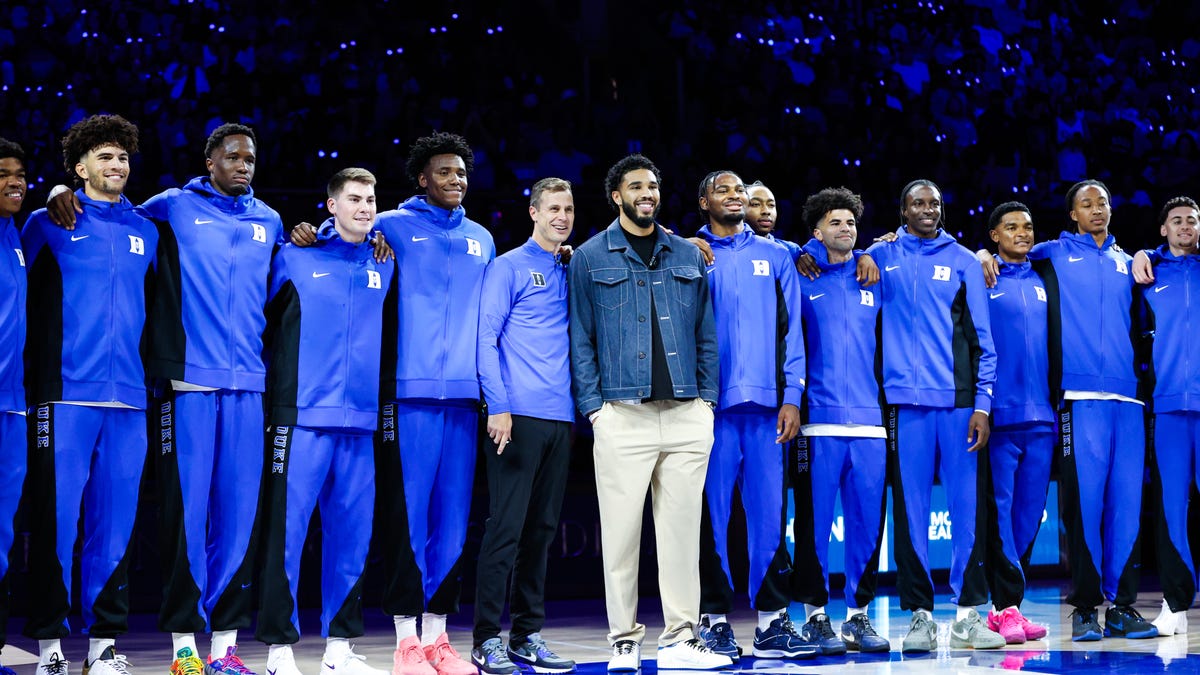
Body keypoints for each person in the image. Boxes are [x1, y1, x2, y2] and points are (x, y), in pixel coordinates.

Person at [44, 123, 291, 675]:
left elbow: (294, 276)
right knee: (185, 519)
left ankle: (224, 649)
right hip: (185, 388)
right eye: (232, 156)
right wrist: (55, 192)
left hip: (249, 387)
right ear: (210, 161)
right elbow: (103, 210)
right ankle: (185, 650)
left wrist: (329, 229)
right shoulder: (169, 209)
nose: (244, 165)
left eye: (251, 157)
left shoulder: (269, 221)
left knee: (238, 519)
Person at [569, 154, 728, 672]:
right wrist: (595, 411)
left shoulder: (686, 252)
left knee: (682, 535)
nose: (647, 193)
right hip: (622, 414)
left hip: (686, 414)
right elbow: (581, 339)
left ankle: (681, 637)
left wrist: (706, 402)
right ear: (616, 195)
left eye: (654, 186)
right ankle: (624, 639)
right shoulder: (590, 257)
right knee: (620, 536)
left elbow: (707, 334)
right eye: (636, 186)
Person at [978, 179, 1153, 641]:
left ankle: (1123, 606)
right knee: (1083, 509)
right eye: (1086, 203)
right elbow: (1000, 255)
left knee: (1127, 510)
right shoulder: (1051, 254)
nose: (1097, 209)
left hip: (1127, 399)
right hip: (1075, 400)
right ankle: (1085, 608)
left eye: (1104, 202)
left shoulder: (1128, 261)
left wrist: (1144, 255)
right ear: (1072, 214)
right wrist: (980, 254)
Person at [23, 114, 158, 675]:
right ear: (79, 168)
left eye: (123, 157)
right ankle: (50, 645)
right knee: (56, 524)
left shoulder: (148, 229)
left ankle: (103, 646)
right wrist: (52, 193)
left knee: (115, 527)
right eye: (104, 157)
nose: (117, 166)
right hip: (64, 396)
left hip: (129, 400)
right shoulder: (45, 222)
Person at [256, 168, 394, 675]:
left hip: (359, 424)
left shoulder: (385, 262)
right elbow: (260, 326)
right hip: (300, 421)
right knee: (285, 538)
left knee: (352, 539)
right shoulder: (294, 256)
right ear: (331, 206)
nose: (364, 207)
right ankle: (277, 651)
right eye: (354, 199)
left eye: (371, 200)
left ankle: (340, 650)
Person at [865, 179, 1002, 652]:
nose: (928, 210)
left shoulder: (966, 260)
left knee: (968, 514)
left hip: (961, 406)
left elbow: (985, 343)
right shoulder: (880, 257)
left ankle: (967, 615)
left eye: (935, 204)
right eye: (918, 203)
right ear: (903, 210)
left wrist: (982, 405)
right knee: (911, 513)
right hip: (906, 407)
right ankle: (920, 616)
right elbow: (837, 255)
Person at [373, 132, 491, 675]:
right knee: (407, 519)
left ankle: (440, 637)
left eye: (462, 172)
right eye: (444, 172)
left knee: (453, 520)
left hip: (465, 400)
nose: (456, 180)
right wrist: (317, 229)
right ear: (422, 178)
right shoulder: (392, 224)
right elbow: (341, 231)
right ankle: (405, 642)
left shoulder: (481, 239)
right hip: (409, 396)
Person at [691, 171, 810, 661]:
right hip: (710, 410)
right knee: (710, 521)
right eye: (724, 190)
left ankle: (771, 623)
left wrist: (793, 397)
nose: (736, 196)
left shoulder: (778, 255)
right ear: (704, 202)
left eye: (741, 191)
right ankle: (713, 621)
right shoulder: (689, 254)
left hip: (767, 412)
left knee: (768, 519)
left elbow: (792, 330)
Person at [470, 178, 577, 675]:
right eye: (553, 208)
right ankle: (485, 639)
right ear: (533, 212)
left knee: (541, 533)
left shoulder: (569, 267)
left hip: (561, 418)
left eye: (569, 208)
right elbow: (485, 339)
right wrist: (498, 405)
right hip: (515, 419)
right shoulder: (507, 266)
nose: (562, 216)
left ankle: (526, 635)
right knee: (505, 530)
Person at [788, 187, 890, 654]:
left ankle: (859, 616)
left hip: (870, 424)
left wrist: (869, 251)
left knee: (869, 526)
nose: (845, 229)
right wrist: (805, 252)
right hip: (818, 425)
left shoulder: (875, 275)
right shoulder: (799, 271)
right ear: (816, 230)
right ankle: (814, 616)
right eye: (835, 222)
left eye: (851, 223)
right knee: (813, 526)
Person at [979, 202, 1053, 644]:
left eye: (1027, 227)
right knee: (1001, 517)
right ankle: (1005, 607)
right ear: (994, 236)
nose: (1022, 233)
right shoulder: (981, 276)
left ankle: (1008, 607)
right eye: (1011, 227)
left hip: (1043, 417)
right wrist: (977, 257)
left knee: (1028, 517)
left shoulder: (1047, 277)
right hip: (1000, 418)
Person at [1137, 196, 1200, 636]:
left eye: (1192, 221)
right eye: (1176, 221)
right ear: (1163, 229)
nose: (1184, 226)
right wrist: (1142, 253)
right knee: (1171, 508)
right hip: (1169, 408)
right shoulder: (1145, 275)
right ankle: (1175, 605)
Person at [0, 138, 27, 675]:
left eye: (21, 174)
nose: (14, 181)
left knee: (2, 539)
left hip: (14, 409)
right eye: (2, 174)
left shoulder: (19, 236)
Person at [744, 181, 801, 263]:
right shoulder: (726, 249)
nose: (766, 211)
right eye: (756, 204)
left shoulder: (792, 252)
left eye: (771, 205)